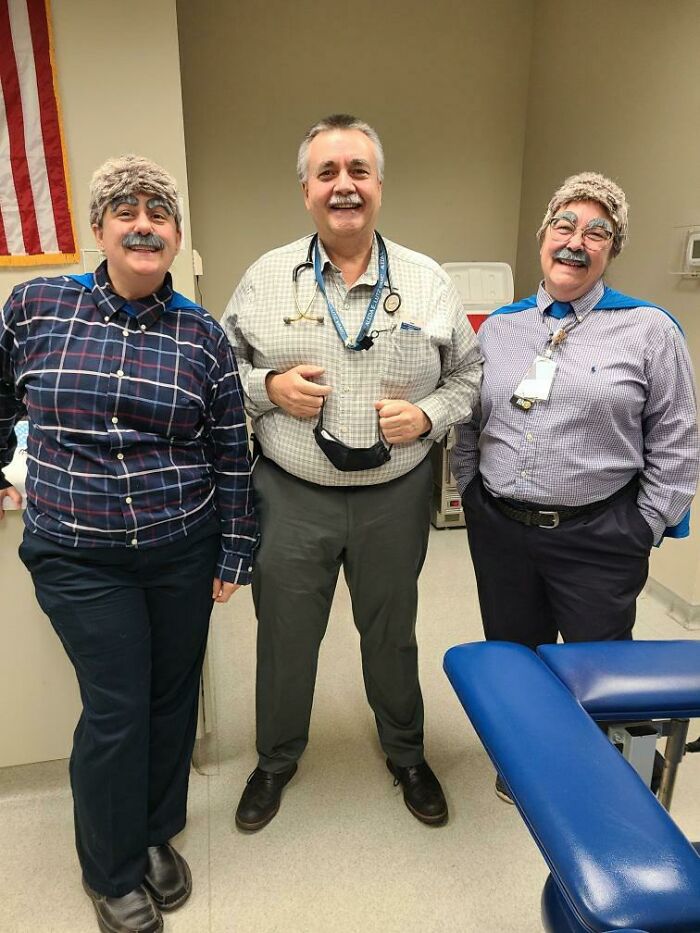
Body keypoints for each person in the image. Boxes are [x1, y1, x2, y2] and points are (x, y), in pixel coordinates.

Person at [0, 155, 257, 933]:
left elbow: (229, 449)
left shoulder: (203, 335)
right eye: (126, 210)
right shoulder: (36, 305)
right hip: (77, 552)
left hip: (181, 545)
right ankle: (109, 868)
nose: (144, 223)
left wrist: (234, 549)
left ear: (176, 236)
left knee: (172, 697)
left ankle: (152, 831)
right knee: (117, 706)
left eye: (159, 214)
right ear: (100, 228)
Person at [222, 114, 482, 830]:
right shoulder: (264, 277)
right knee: (283, 633)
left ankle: (405, 751)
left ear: (379, 186)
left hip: (393, 498)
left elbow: (470, 371)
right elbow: (218, 371)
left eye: (358, 171)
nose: (344, 186)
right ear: (306, 189)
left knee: (392, 630)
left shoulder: (428, 281)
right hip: (290, 491)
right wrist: (267, 387)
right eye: (328, 172)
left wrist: (429, 414)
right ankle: (275, 759)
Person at [451, 172, 699, 800]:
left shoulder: (649, 330)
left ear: (611, 252)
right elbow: (472, 420)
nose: (576, 242)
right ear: (543, 238)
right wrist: (473, 495)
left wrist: (645, 523)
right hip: (502, 529)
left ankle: (595, 778)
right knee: (513, 655)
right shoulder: (500, 329)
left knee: (601, 666)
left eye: (597, 233)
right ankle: (525, 762)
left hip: (600, 532)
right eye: (564, 226)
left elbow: (678, 437)